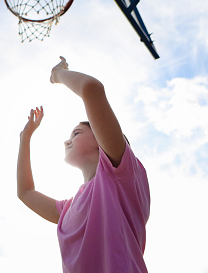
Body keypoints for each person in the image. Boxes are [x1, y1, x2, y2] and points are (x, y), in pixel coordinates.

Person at [17, 57, 150, 272]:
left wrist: (57, 74)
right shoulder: (68, 209)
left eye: (76, 133)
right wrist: (25, 138)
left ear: (100, 138)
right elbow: (26, 192)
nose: (67, 140)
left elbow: (92, 89)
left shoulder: (121, 173)